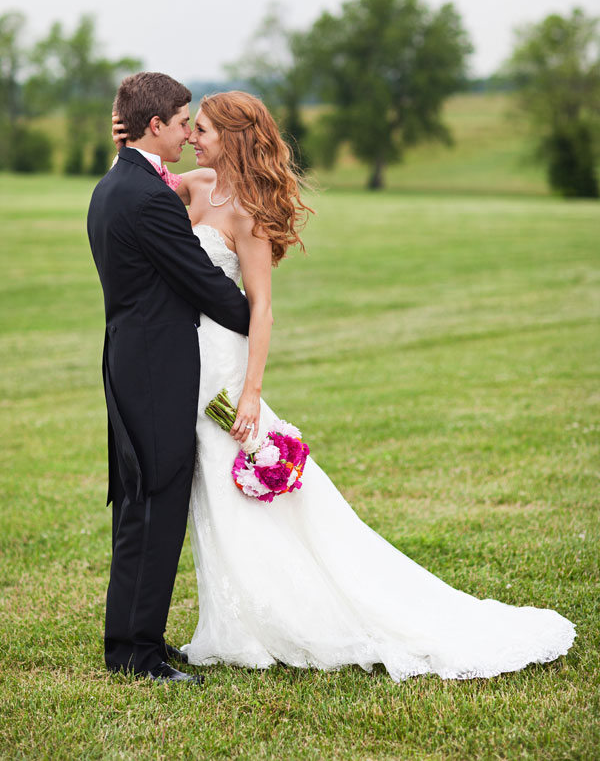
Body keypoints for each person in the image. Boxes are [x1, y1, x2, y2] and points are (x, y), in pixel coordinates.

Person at [114, 90, 576, 682]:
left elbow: (261, 310)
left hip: (224, 370)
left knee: (243, 492)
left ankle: (291, 615)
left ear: (230, 135)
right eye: (190, 129)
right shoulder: (193, 185)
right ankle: (234, 621)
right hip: (180, 360)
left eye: (201, 129)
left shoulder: (248, 213)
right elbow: (137, 190)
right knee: (208, 493)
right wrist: (124, 142)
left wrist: (251, 392)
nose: (193, 138)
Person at [87, 72, 250, 684]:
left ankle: (133, 639)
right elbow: (201, 282)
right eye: (183, 121)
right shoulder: (145, 196)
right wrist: (255, 314)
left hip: (132, 359)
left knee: (140, 503)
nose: (188, 131)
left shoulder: (115, 183)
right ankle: (136, 655)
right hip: (156, 369)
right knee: (156, 502)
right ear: (155, 126)